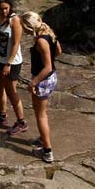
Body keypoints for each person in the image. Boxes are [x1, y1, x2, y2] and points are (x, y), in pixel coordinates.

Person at [21, 11, 62, 163]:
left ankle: (47, 151)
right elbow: (58, 50)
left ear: (29, 27)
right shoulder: (49, 34)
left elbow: (47, 67)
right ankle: (43, 138)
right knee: (43, 113)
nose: (23, 31)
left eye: (24, 27)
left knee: (41, 115)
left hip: (43, 79)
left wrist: (34, 82)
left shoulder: (41, 41)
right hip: (51, 79)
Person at [0, 0, 28, 135]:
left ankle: (21, 122)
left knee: (11, 91)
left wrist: (8, 63)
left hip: (12, 61)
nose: (4, 11)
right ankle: (2, 115)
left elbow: (16, 43)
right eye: (1, 8)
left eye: (6, 8)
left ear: (10, 7)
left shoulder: (14, 20)